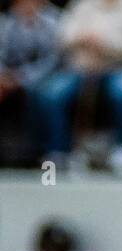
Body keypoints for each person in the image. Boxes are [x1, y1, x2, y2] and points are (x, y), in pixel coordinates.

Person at [35, 0, 122, 172]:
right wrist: (84, 39)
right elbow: (62, 37)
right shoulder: (82, 5)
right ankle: (59, 150)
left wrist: (107, 44)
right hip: (82, 70)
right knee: (51, 93)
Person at [0, 0, 61, 167]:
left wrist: (21, 78)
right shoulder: (7, 22)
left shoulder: (53, 21)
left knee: (40, 93)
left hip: (44, 77)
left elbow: (53, 60)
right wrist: (4, 76)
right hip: (8, 77)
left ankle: (38, 149)